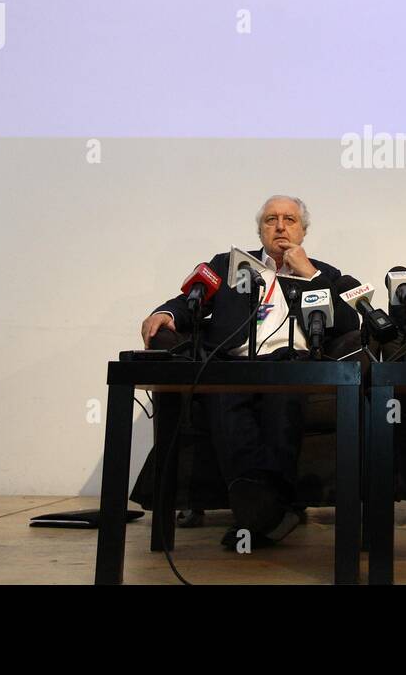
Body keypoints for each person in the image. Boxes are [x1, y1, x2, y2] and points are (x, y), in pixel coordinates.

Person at [141, 195, 358, 548]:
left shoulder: (325, 273)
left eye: (290, 219)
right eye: (271, 219)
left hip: (292, 363)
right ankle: (268, 512)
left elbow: (348, 323)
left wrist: (310, 275)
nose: (280, 226)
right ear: (260, 231)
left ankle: (254, 514)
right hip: (234, 360)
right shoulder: (229, 265)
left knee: (283, 396)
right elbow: (191, 299)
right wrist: (165, 314)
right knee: (224, 393)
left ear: (303, 230)